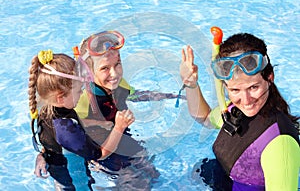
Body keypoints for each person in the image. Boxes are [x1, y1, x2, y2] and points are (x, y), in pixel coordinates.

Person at [34, 31, 161, 190]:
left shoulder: (119, 84)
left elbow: (135, 94)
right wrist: (44, 154)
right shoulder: (79, 99)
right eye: (105, 68)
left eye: (118, 64)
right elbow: (56, 134)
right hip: (99, 151)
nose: (114, 74)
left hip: (116, 140)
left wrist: (168, 95)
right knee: (138, 184)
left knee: (152, 173)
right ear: (88, 73)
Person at [180, 30, 300, 190]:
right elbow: (205, 118)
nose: (246, 100)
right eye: (235, 90)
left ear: (269, 78)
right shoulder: (234, 110)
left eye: (254, 87)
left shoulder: (280, 144)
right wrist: (190, 84)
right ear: (226, 87)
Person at [28, 50, 135, 190]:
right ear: (61, 98)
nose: (81, 94)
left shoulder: (46, 111)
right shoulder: (66, 130)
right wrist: (119, 127)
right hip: (76, 181)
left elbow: (50, 138)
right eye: (78, 91)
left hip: (60, 168)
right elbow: (101, 154)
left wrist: (43, 155)